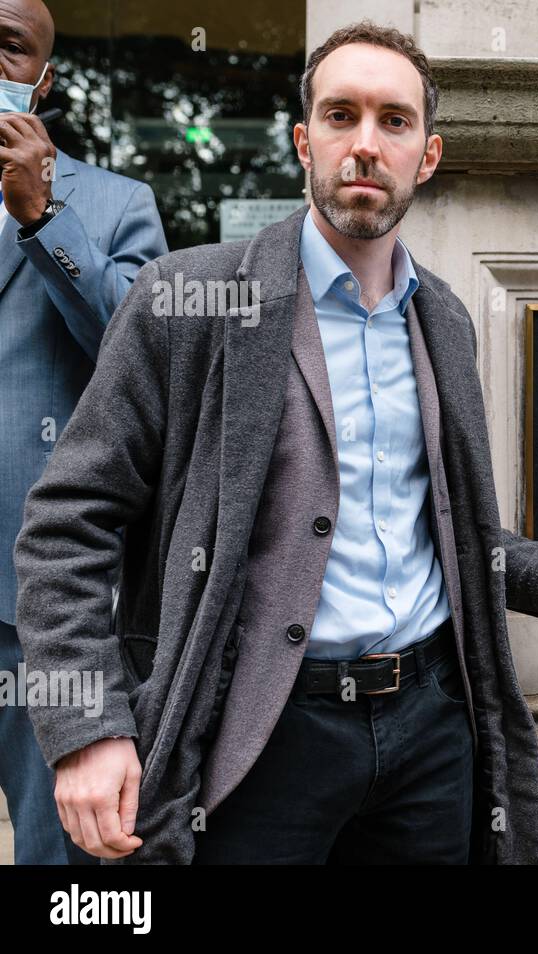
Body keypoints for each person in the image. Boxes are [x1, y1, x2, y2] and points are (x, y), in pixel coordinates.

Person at [13, 19, 538, 864]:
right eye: (341, 116)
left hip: (430, 730)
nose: (366, 145)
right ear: (304, 142)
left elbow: (442, 531)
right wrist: (89, 727)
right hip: (259, 733)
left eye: (394, 121)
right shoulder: (186, 299)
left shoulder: (443, 319)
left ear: (430, 154)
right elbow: (67, 524)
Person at [0, 0, 166, 865]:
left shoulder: (115, 203)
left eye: (8, 45)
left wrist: (43, 215)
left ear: (42, 78)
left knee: (65, 863)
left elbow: (140, 363)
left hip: (38, 617)